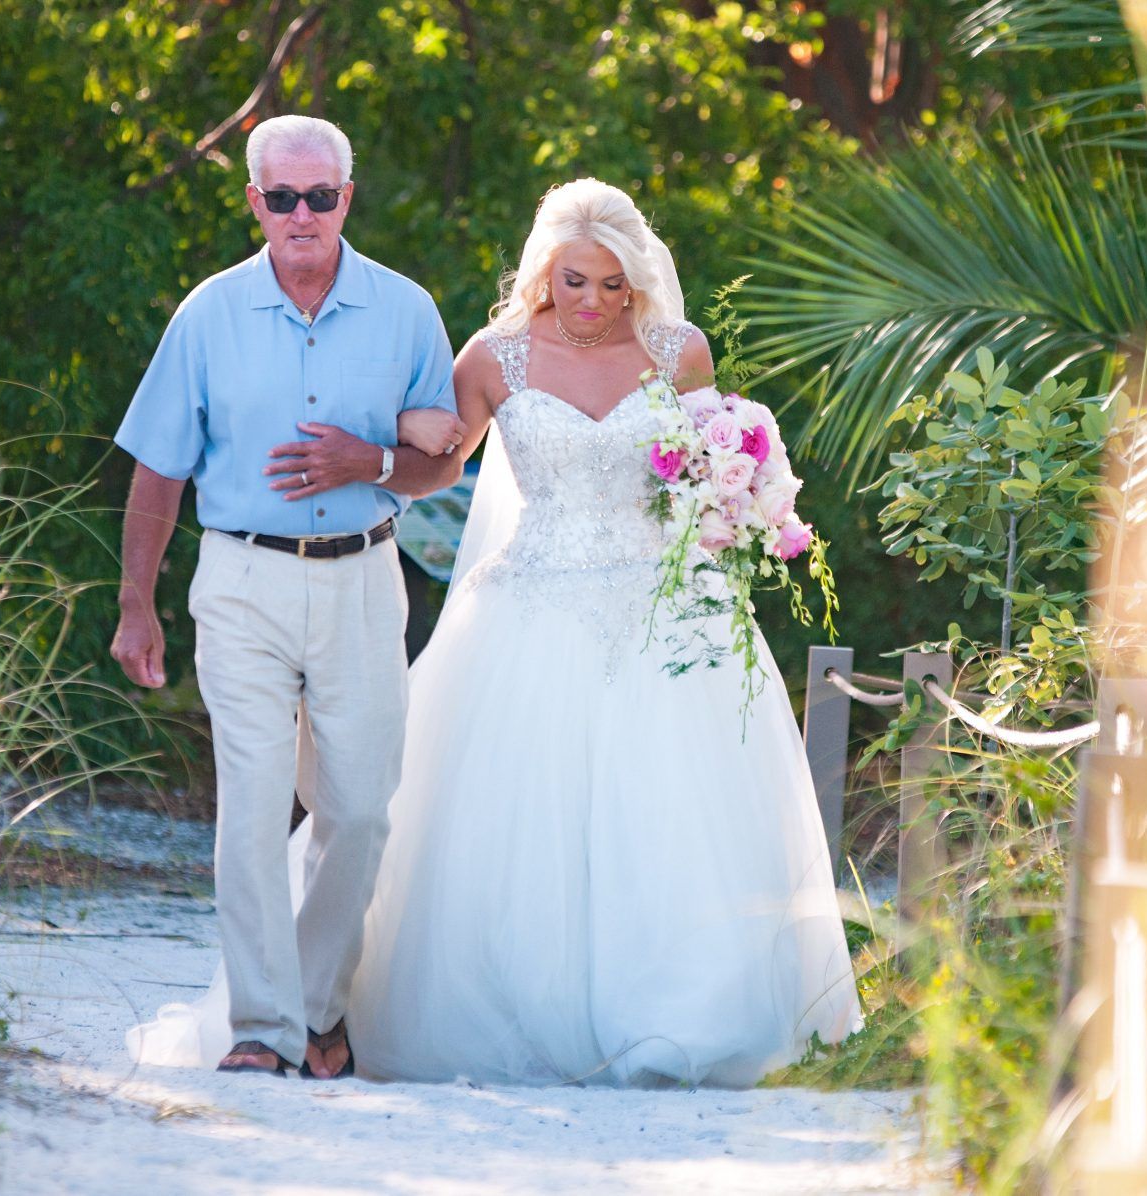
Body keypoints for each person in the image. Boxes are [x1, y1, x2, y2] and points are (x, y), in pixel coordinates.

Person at [342, 178, 863, 1086]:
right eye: (577, 281)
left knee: (671, 813)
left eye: (613, 286)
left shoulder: (679, 351)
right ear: (546, 274)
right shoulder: (493, 358)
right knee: (511, 815)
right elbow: (440, 468)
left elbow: (705, 468)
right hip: (531, 602)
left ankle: (679, 1013)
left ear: (638, 283)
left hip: (663, 605)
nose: (594, 303)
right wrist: (379, 451)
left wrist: (744, 498)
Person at [112, 114, 465, 1081]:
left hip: (362, 577)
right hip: (242, 579)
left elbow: (442, 461)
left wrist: (372, 461)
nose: (301, 213)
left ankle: (318, 1006)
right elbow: (157, 470)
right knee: (254, 807)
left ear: (347, 199)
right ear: (255, 202)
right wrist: (135, 604)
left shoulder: (406, 311)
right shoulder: (208, 313)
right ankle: (265, 1030)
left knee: (359, 810)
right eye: (282, 197)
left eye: (320, 196)